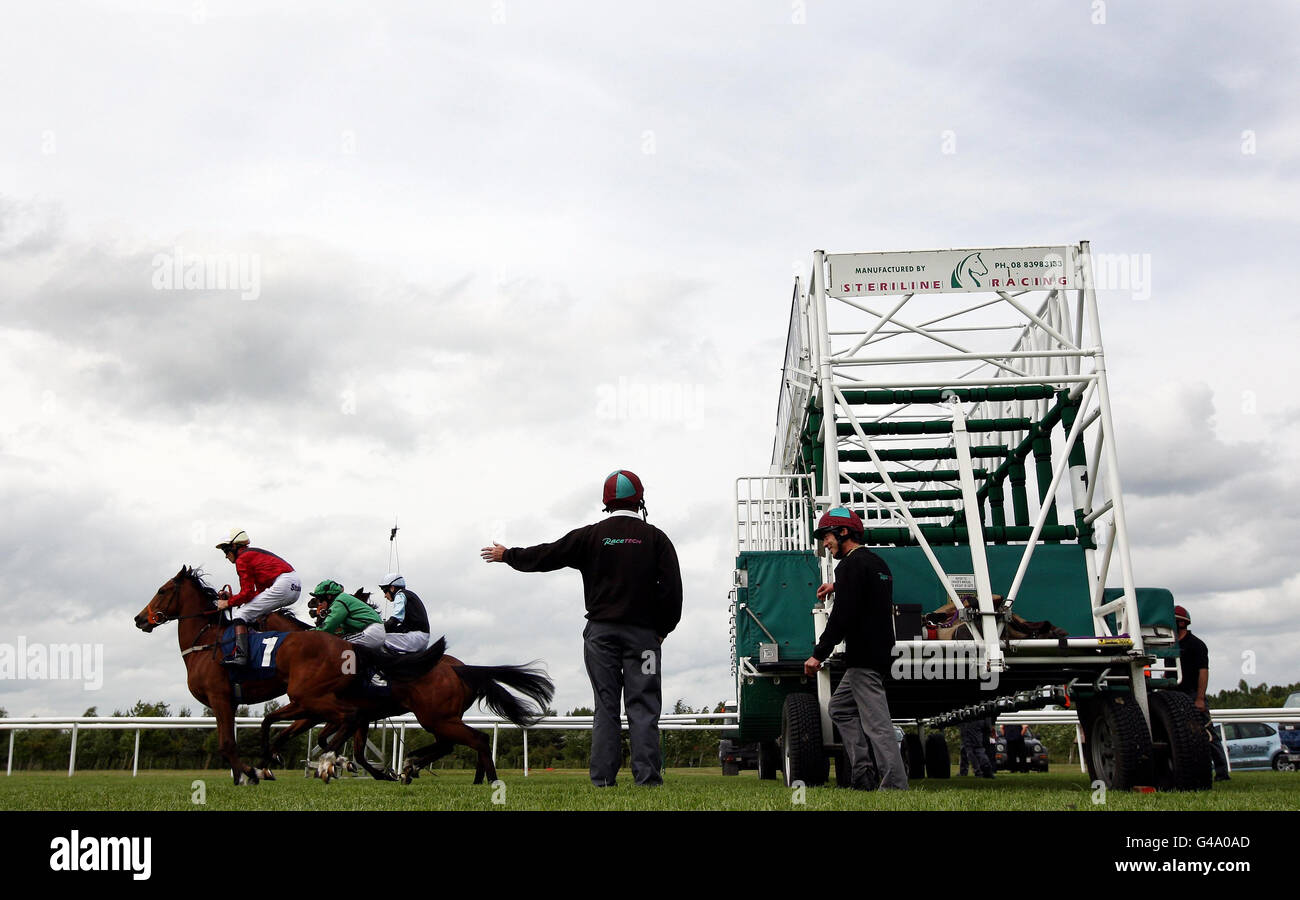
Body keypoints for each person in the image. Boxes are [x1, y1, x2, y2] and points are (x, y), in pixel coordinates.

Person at [480, 469, 682, 787]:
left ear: (606, 502)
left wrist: (509, 556)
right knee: (643, 706)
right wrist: (662, 630)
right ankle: (647, 780)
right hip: (643, 635)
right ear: (640, 500)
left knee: (606, 705)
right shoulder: (656, 538)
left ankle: (602, 780)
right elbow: (672, 590)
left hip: (601, 635)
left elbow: (548, 554)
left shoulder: (590, 536)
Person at [802, 507, 908, 791]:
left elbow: (843, 616)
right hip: (880, 652)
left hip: (863, 656)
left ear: (843, 532)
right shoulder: (876, 563)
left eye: (827, 536)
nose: (826, 544)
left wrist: (818, 654)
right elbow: (865, 589)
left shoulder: (849, 566)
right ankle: (863, 775)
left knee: (877, 725)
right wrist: (836, 586)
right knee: (839, 707)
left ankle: (895, 786)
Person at [214, 529, 301, 666]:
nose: (226, 556)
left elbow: (247, 593)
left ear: (235, 547)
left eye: (226, 550)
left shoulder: (242, 559)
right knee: (250, 612)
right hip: (292, 584)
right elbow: (256, 594)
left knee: (241, 614)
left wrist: (228, 603)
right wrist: (233, 598)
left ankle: (241, 656)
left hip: (284, 584)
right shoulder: (252, 556)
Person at [1175, 604, 1230, 781]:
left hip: (1192, 695)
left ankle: (1222, 772)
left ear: (1181, 623)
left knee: (1208, 735)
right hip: (1176, 696)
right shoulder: (1170, 645)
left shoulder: (1196, 645)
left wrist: (1200, 698)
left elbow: (1203, 672)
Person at [310, 580, 387, 651]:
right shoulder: (342, 599)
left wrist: (307, 633)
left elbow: (327, 627)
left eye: (319, 599)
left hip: (372, 632)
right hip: (372, 632)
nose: (319, 603)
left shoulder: (339, 601)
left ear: (329, 596)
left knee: (336, 645)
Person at [378, 574, 431, 654]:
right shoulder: (409, 594)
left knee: (377, 640)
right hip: (420, 638)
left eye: (385, 591)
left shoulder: (400, 595)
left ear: (392, 588)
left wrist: (378, 629)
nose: (385, 596)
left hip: (415, 638)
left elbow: (395, 619)